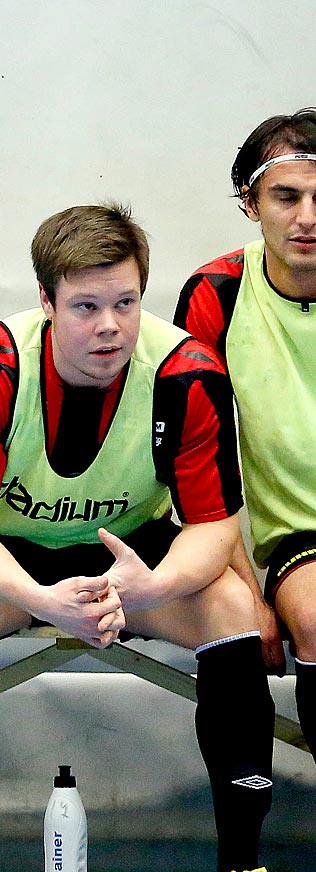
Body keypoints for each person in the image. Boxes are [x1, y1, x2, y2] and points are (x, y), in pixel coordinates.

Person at [0, 204, 285, 872]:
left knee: (233, 603)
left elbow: (214, 528)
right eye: (85, 307)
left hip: (135, 561)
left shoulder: (186, 371)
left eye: (125, 302)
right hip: (7, 563)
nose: (110, 325)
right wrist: (42, 601)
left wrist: (151, 588)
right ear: (46, 304)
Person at [175, 109, 316, 761]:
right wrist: (244, 587)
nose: (308, 217)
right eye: (287, 197)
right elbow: (197, 455)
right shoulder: (217, 292)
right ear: (250, 202)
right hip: (301, 540)